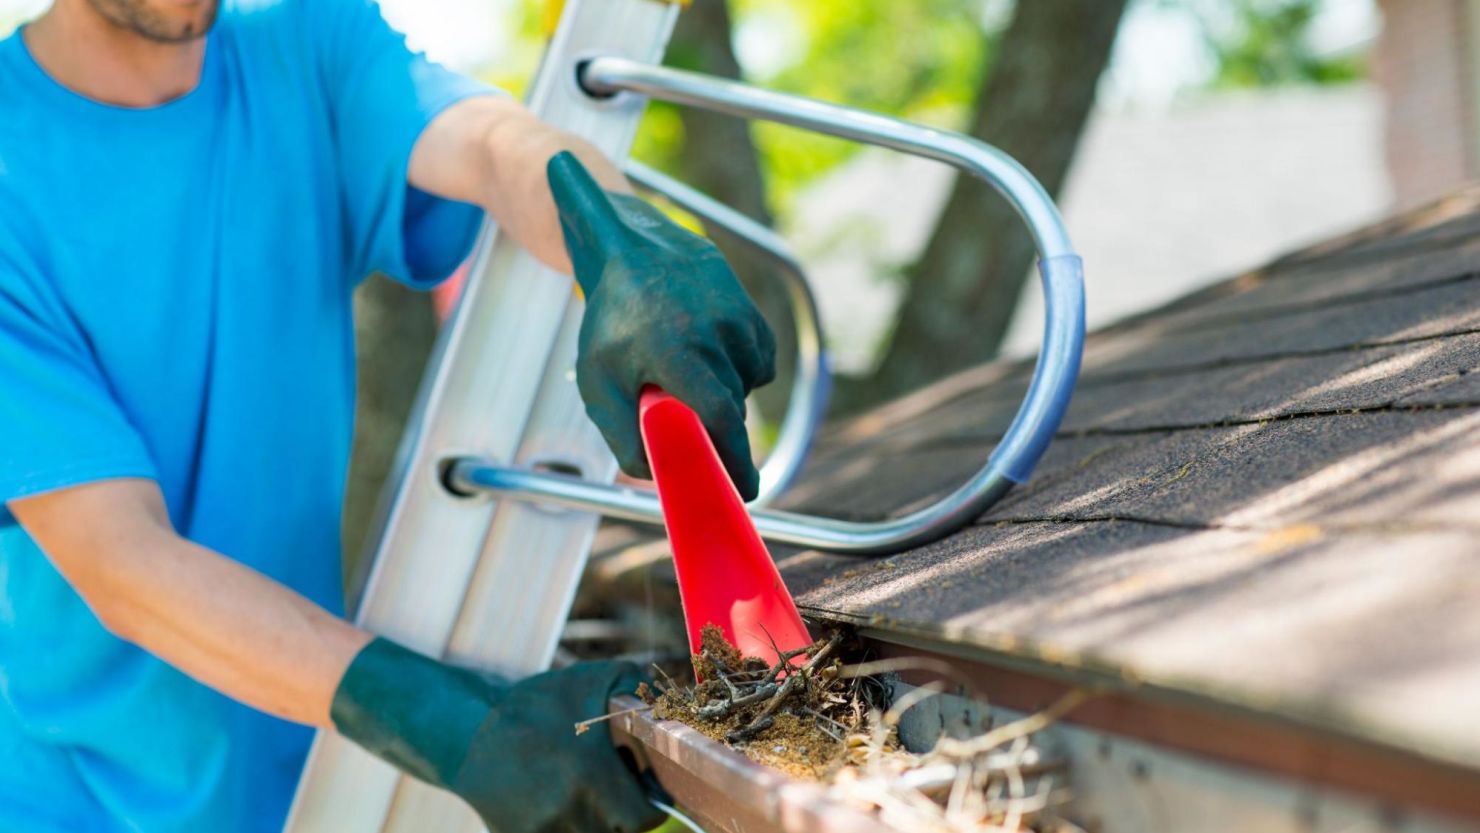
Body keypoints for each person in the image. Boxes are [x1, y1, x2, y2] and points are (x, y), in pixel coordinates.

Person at [0, 0, 776, 831]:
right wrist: (459, 725)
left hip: (308, 765)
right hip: (74, 797)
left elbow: (488, 144)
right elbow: (124, 562)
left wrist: (620, 242)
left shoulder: (302, 42)